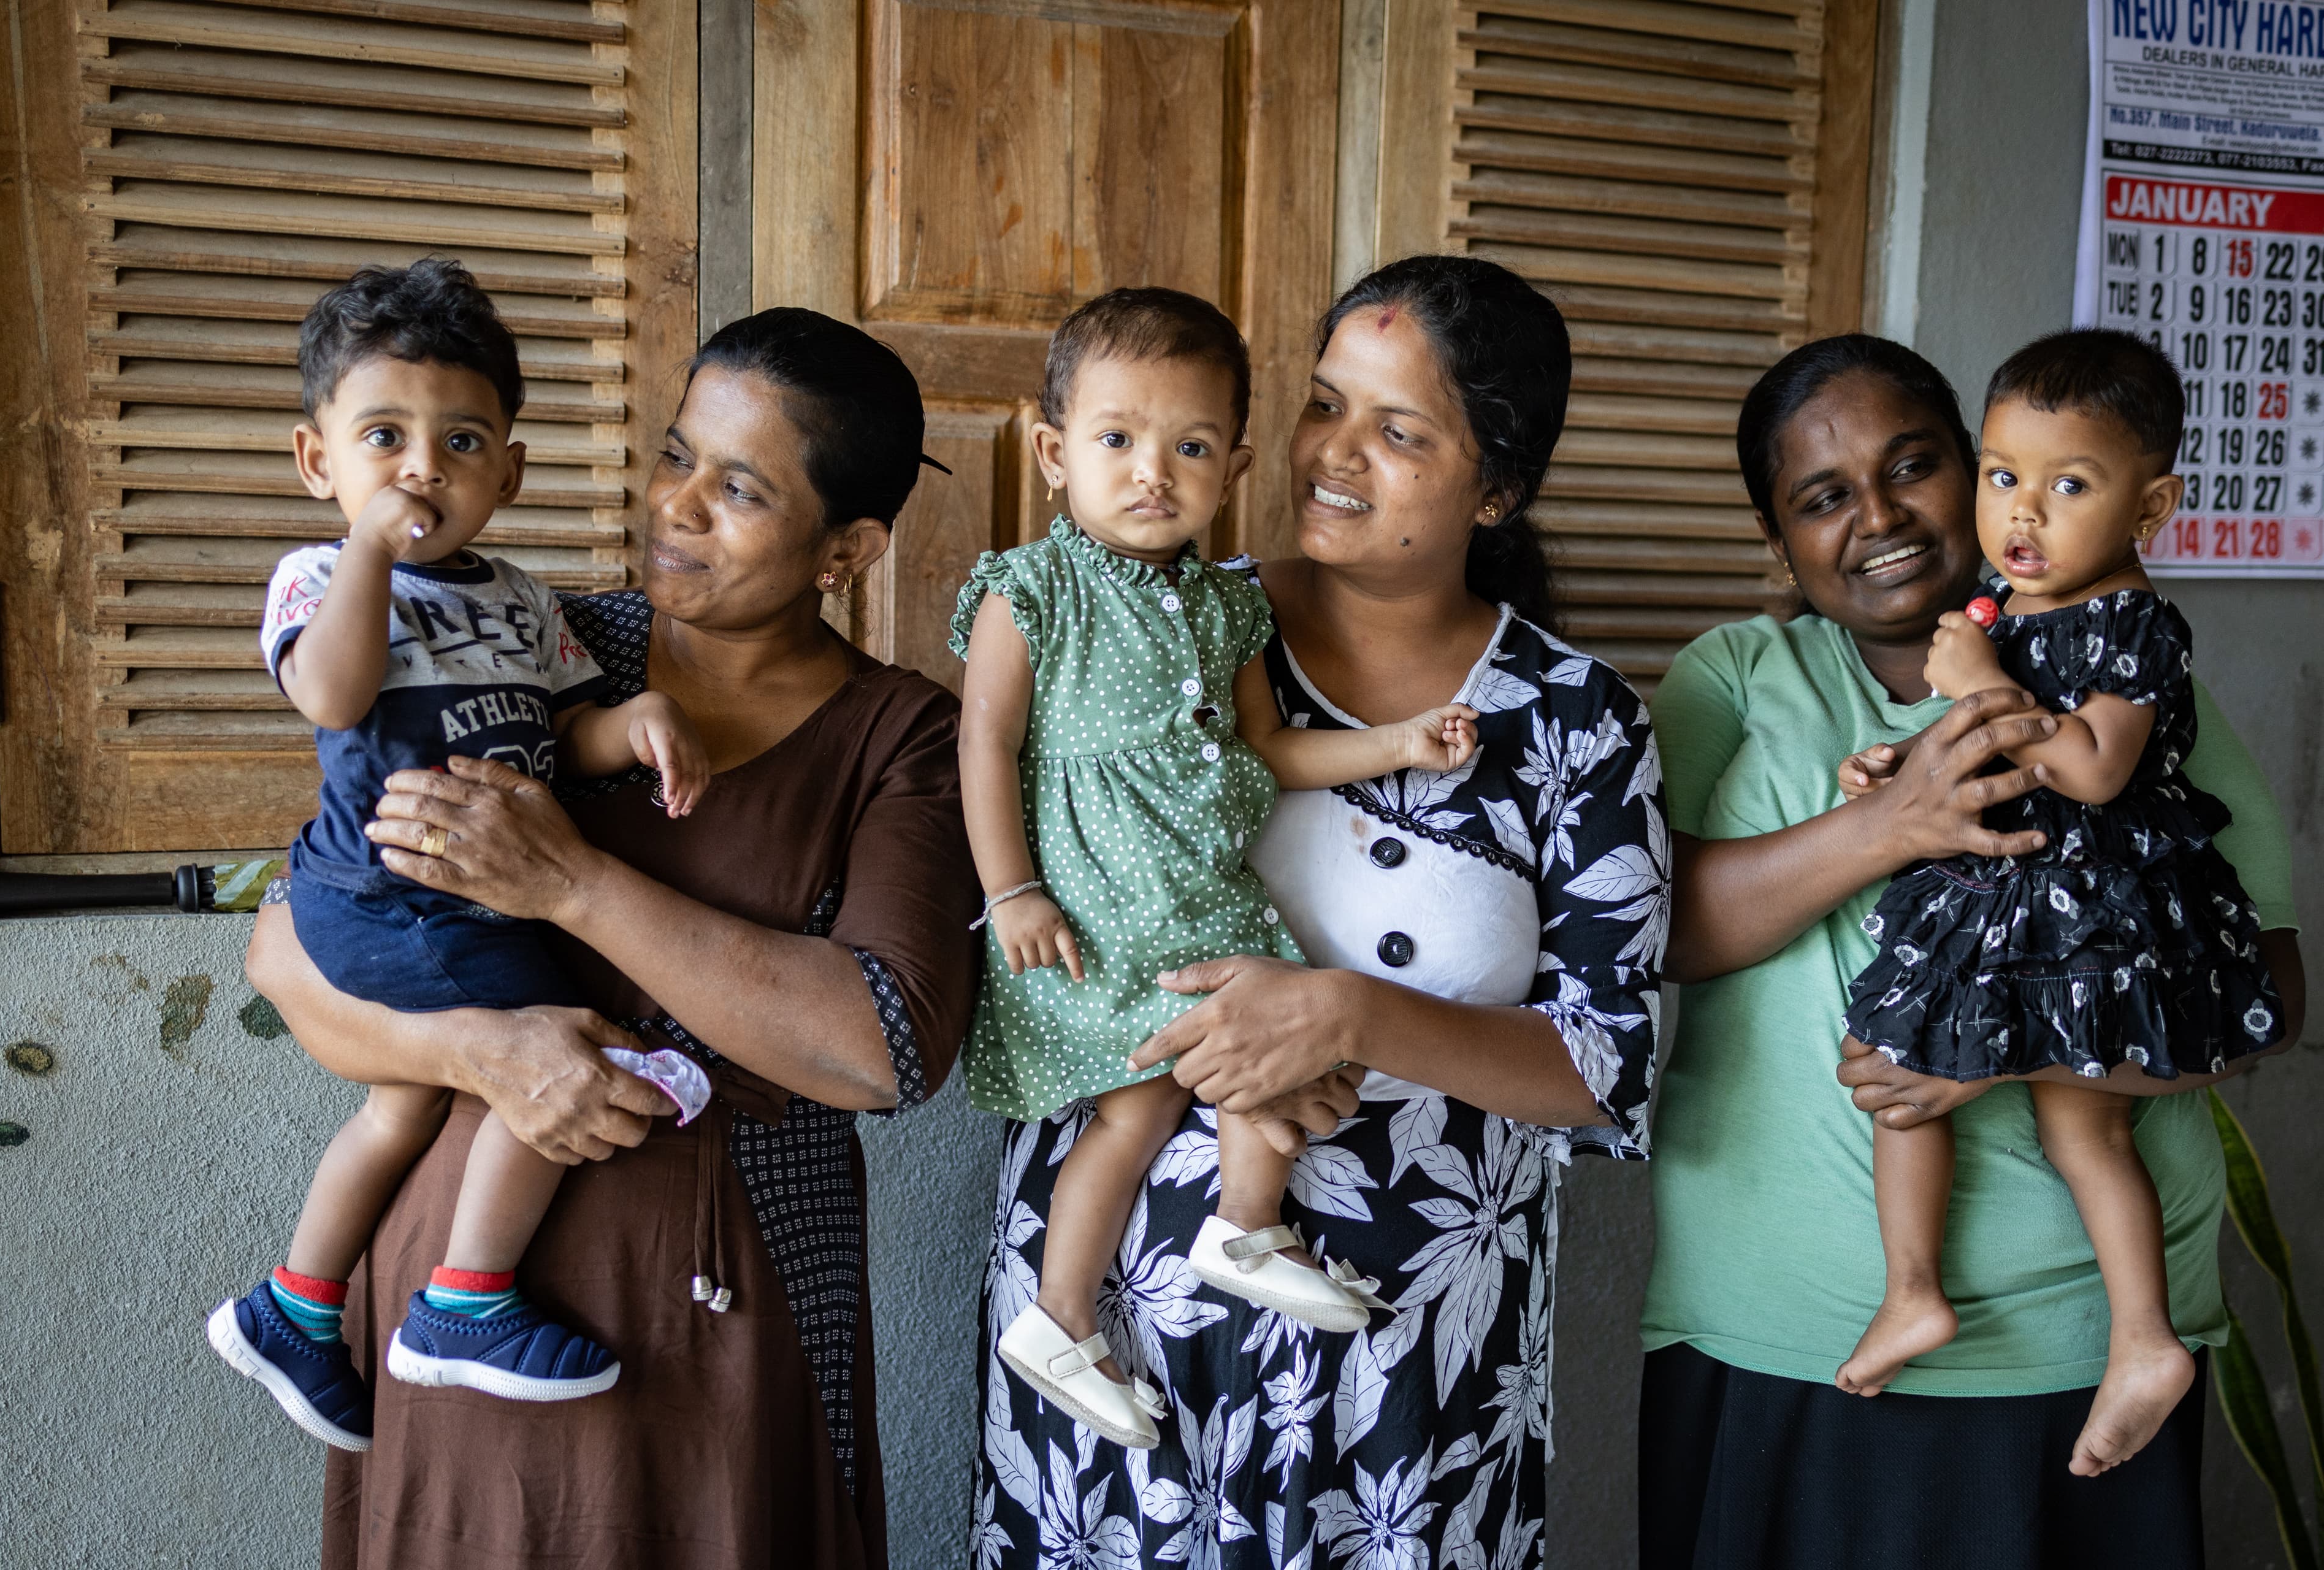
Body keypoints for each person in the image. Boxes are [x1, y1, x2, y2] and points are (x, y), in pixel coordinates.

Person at [244, 306, 980, 1569]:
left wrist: (574, 882)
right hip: (455, 1292)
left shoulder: (901, 735)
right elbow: (282, 944)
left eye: (739, 487)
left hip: (733, 1304)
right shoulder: (524, 639)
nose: (676, 506)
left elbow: (886, 1048)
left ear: (847, 550)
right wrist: (493, 1055)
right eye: (675, 454)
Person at [972, 255, 1659, 1568]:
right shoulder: (1159, 615)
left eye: (1400, 431)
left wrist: (1348, 1010)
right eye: (1326, 404)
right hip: (1119, 1326)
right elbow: (1006, 812)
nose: (1337, 455)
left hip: (1407, 1351)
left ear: (1497, 490)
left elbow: (1602, 1066)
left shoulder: (1572, 720)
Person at [1640, 332, 2307, 1569]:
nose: (1881, 515)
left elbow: (2262, 994)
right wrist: (1885, 820)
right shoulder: (1739, 673)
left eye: (1916, 466)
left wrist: (1999, 1052)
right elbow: (1646, 927)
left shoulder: (2127, 686)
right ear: (1778, 538)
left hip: (2069, 1349)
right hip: (1771, 1324)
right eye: (1823, 496)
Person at [956, 288, 1478, 1447]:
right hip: (1094, 911)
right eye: (1118, 440)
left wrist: (1398, 745)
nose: (1154, 471)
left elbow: (1268, 751)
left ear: (1233, 468)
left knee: (1236, 1062)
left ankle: (1237, 1232)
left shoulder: (1226, 611)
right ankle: (1066, 1311)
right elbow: (983, 744)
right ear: (1053, 455)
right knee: (1133, 1113)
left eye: (1189, 447)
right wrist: (1010, 891)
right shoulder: (1030, 592)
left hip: (1198, 904)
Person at [210, 261, 717, 1446]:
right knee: (546, 1039)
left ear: (510, 471)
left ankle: (294, 1306)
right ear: (315, 460)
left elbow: (565, 735)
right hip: (392, 896)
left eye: (462, 439)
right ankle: (463, 1302)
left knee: (399, 1108)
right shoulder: (322, 579)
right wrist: (373, 558)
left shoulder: (525, 599)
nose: (422, 467)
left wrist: (633, 725)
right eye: (383, 436)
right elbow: (334, 698)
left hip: (461, 898)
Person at [1831, 329, 2282, 1473]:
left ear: (2151, 504)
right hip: (1996, 888)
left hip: (2096, 908)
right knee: (1895, 1078)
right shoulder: (1996, 608)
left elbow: (2091, 770)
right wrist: (1905, 761)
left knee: (2082, 1118)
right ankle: (1914, 1292)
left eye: (2069, 485)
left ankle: (2143, 1339)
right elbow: (1978, 734)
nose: (2022, 514)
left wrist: (1982, 687)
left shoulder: (2136, 623)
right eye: (2001, 476)